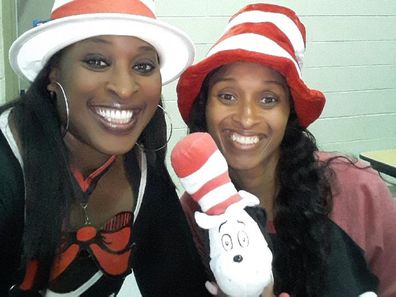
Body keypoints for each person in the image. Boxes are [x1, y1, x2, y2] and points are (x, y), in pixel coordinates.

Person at [176, 3, 396, 297]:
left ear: (288, 114)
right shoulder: (196, 212)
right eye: (227, 95)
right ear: (206, 108)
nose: (246, 118)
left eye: (268, 99)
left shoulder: (355, 189)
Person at [0, 0, 211, 296]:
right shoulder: (8, 164)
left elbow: (178, 284)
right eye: (97, 61)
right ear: (53, 73)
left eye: (143, 66)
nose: (125, 88)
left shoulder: (144, 175)